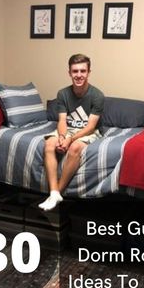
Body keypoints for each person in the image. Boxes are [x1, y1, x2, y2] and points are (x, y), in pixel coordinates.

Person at [38, 54, 104, 211]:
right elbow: (62, 120)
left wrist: (70, 140)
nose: (79, 75)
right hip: (67, 130)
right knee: (49, 144)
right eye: (75, 71)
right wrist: (62, 137)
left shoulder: (97, 95)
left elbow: (90, 126)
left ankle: (56, 193)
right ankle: (54, 193)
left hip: (87, 131)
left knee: (74, 148)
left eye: (83, 71)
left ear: (89, 72)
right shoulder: (63, 94)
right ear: (69, 73)